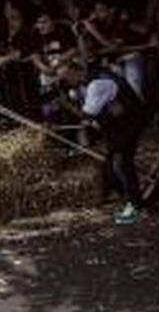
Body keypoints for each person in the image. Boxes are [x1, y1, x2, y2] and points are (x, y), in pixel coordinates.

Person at [57, 56, 150, 223]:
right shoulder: (96, 77)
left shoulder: (96, 84)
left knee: (121, 164)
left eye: (66, 77)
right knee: (113, 163)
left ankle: (137, 206)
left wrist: (66, 105)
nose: (66, 82)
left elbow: (87, 116)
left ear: (75, 71)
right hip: (122, 124)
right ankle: (129, 199)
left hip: (128, 124)